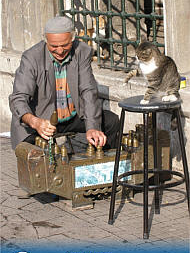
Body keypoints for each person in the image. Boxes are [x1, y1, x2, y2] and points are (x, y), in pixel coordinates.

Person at [9, 16, 119, 152]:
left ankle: (107, 167)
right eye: (54, 46)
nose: (60, 51)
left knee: (111, 121)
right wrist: (35, 122)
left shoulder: (82, 51)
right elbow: (18, 98)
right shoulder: (31, 57)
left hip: (72, 116)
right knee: (30, 153)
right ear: (46, 41)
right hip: (42, 119)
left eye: (65, 45)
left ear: (72, 39)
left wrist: (93, 127)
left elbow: (88, 91)